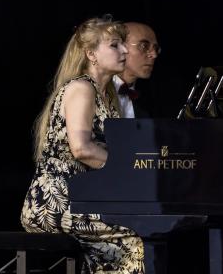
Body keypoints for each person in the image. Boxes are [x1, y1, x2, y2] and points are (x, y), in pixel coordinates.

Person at [20, 16, 144, 274]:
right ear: (91, 54)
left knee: (139, 233)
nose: (124, 51)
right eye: (114, 45)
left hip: (83, 199)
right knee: (135, 237)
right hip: (54, 200)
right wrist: (132, 169)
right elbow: (82, 149)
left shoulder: (106, 96)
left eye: (124, 44)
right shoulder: (81, 88)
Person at [113, 22, 161, 118]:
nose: (154, 55)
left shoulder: (151, 101)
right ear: (119, 47)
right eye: (144, 46)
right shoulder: (92, 92)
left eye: (156, 48)